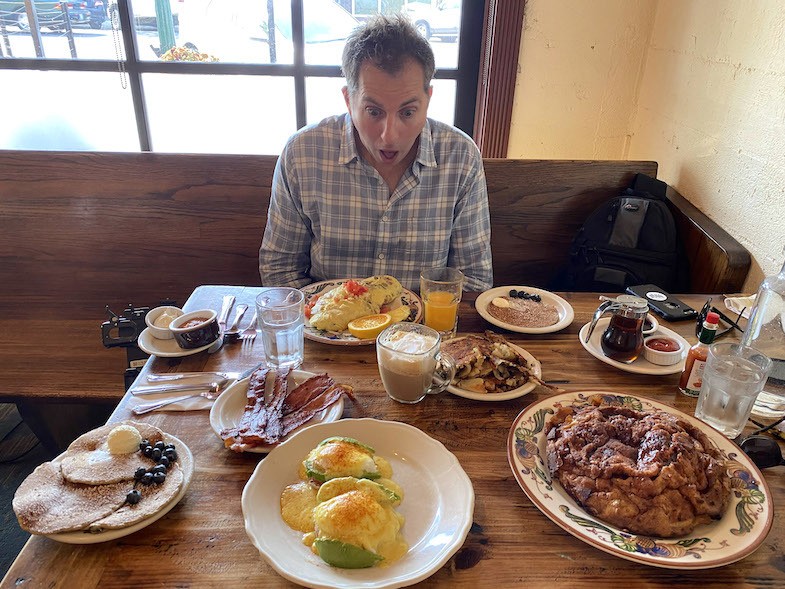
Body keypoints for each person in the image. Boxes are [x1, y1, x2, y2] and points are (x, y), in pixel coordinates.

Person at [259, 14, 493, 292]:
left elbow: (473, 280)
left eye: (408, 112)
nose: (389, 136)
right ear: (349, 100)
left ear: (428, 99)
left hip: (425, 331)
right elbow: (280, 268)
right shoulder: (302, 153)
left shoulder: (461, 157)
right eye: (374, 111)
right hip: (325, 329)